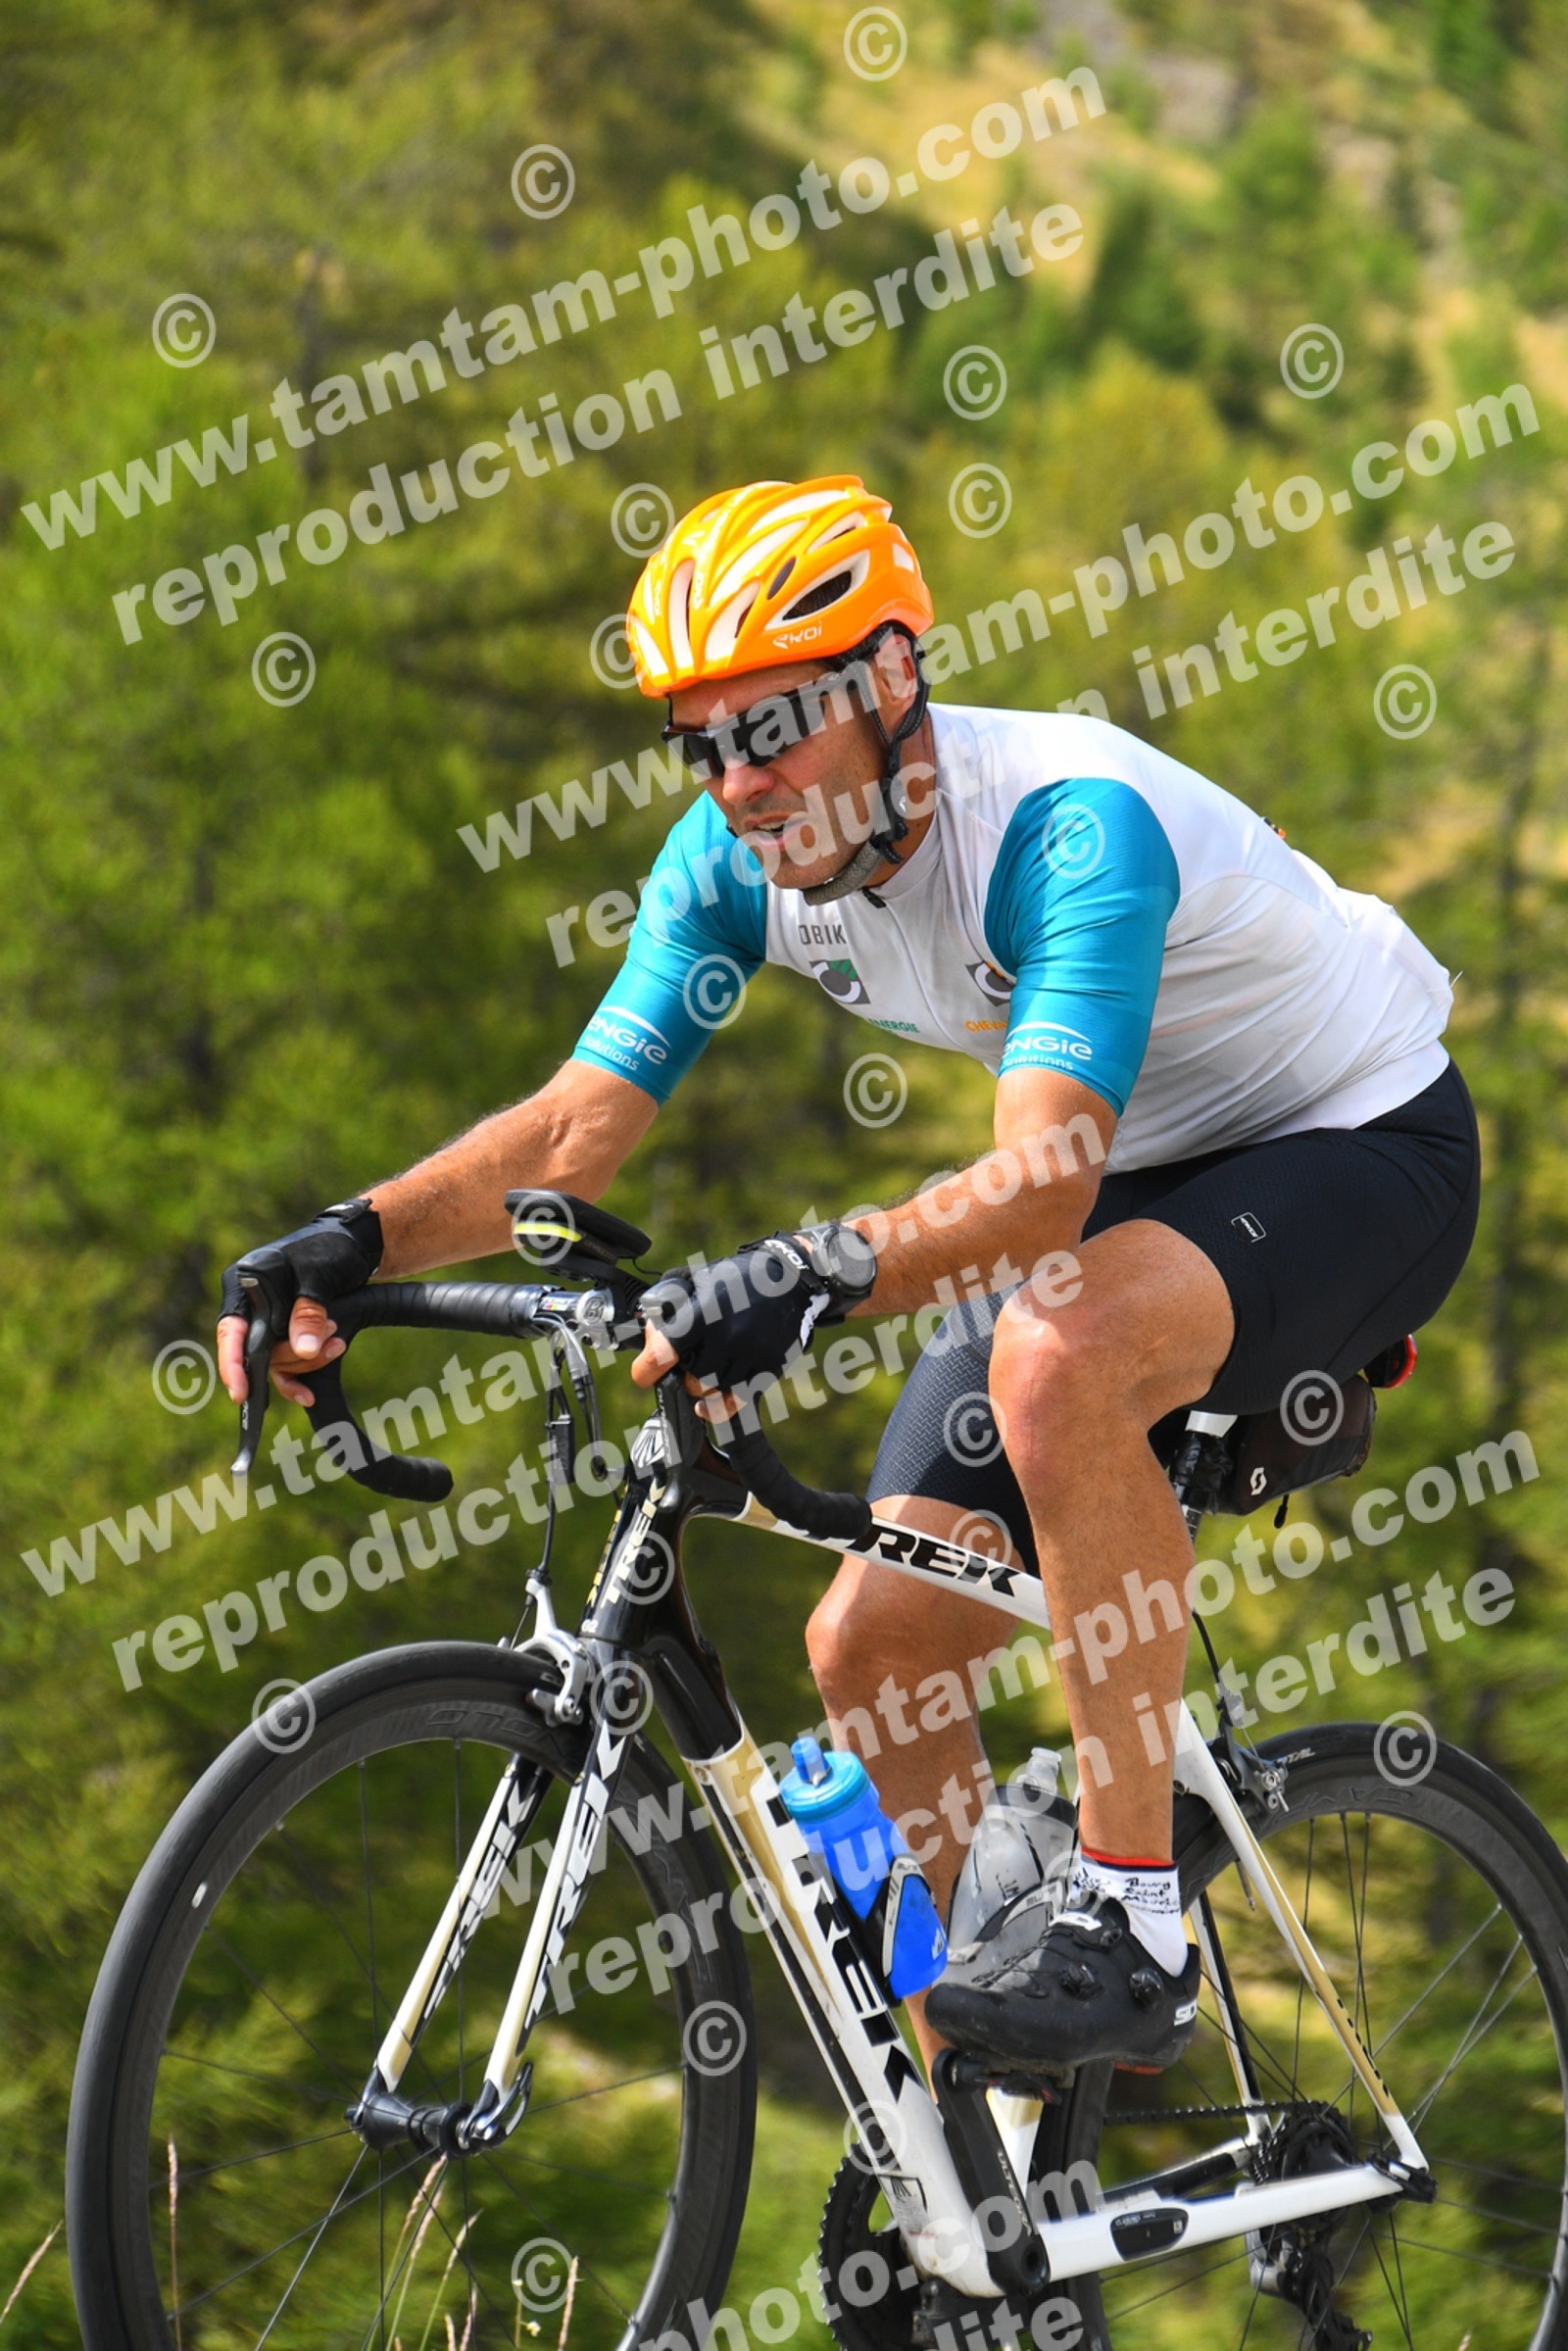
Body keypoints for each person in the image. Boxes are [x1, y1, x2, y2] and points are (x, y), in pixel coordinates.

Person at [218, 474, 1481, 2075]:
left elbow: (1041, 1193)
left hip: (1355, 1136)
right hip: (1135, 1167)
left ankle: (1133, 1924)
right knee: (870, 1648)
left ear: (890, 680)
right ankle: (993, 2137)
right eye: (701, 744)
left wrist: (809, 1273)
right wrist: (354, 1238)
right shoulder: (729, 863)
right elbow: (571, 1129)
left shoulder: (1064, 826)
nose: (739, 783)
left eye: (772, 729)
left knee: (1059, 1355)